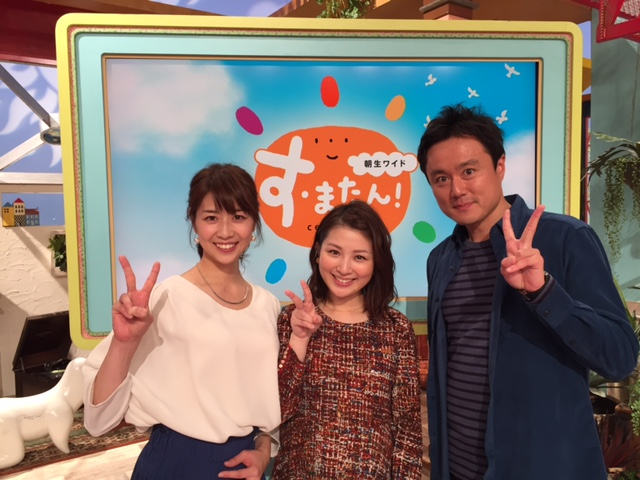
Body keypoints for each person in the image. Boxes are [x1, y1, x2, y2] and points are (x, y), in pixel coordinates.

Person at [416, 103, 640, 480]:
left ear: (500, 165)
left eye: (469, 171)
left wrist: (543, 292)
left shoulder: (565, 238)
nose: (457, 190)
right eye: (440, 178)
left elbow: (619, 356)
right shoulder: (441, 259)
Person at [82, 163, 280, 480]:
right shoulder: (167, 297)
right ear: (194, 222)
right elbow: (98, 421)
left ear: (254, 222)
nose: (225, 231)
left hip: (241, 467)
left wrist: (263, 450)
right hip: (174, 463)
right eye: (211, 218)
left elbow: (267, 399)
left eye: (238, 217)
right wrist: (124, 342)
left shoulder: (267, 305)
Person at [273, 200, 423, 479]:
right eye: (334, 252)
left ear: (376, 262)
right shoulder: (293, 320)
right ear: (317, 252)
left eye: (359, 257)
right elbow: (275, 412)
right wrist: (300, 339)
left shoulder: (396, 328)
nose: (344, 268)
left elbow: (407, 431)